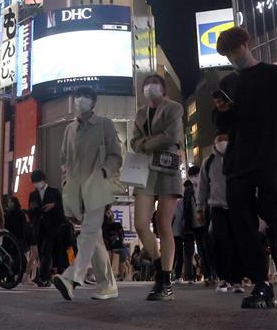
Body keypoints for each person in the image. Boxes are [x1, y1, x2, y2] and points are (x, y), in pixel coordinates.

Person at [214, 27, 277, 310]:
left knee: (274, 212)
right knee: (242, 224)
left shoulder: (272, 74)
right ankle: (261, 283)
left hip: (269, 156)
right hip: (237, 161)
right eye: (228, 55)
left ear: (247, 43)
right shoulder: (229, 82)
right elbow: (223, 126)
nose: (233, 58)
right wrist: (222, 111)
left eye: (235, 50)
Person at [50, 86, 122, 301]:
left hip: (97, 186)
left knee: (89, 232)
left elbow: (116, 156)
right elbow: (64, 159)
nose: (80, 100)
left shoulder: (104, 125)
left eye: (85, 97)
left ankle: (72, 278)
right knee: (95, 236)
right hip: (75, 190)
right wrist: (65, 181)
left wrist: (103, 172)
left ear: (93, 101)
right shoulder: (70, 130)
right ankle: (108, 285)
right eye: (77, 97)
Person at [130, 73, 184, 301]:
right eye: (147, 85)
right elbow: (133, 142)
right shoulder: (140, 113)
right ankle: (160, 268)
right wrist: (150, 141)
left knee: (163, 222)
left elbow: (171, 136)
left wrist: (145, 143)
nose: (150, 88)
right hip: (145, 171)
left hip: (168, 169)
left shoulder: (174, 108)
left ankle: (165, 280)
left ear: (163, 88)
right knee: (141, 224)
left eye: (155, 85)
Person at [198, 132, 239, 292]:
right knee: (219, 242)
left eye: (226, 138)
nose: (223, 142)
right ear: (214, 142)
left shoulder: (237, 157)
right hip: (216, 208)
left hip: (237, 207)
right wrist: (200, 208)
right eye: (220, 139)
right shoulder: (208, 162)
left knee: (237, 243)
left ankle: (236, 279)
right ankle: (223, 277)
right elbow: (202, 187)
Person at [28, 169, 68, 285]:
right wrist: (33, 209)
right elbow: (30, 212)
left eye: (37, 181)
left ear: (43, 180)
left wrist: (53, 206)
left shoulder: (54, 192)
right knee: (41, 252)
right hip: (39, 227)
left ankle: (44, 276)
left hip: (52, 227)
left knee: (48, 251)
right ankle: (44, 276)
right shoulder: (33, 194)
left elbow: (61, 207)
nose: (36, 184)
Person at [102, 206, 125, 284]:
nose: (109, 215)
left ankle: (120, 275)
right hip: (110, 247)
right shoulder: (105, 226)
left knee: (121, 261)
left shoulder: (117, 225)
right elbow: (104, 236)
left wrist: (118, 242)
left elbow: (121, 236)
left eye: (110, 214)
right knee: (109, 259)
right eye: (107, 214)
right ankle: (112, 275)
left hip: (118, 247)